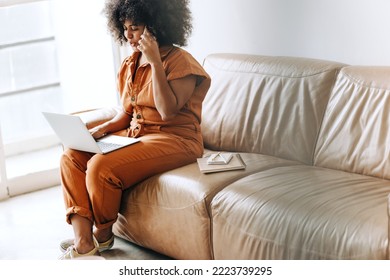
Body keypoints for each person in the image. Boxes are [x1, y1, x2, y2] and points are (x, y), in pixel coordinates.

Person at [58, 0, 210, 259]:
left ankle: (103, 234)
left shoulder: (182, 62)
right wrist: (99, 131)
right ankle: (83, 242)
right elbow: (127, 112)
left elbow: (167, 111)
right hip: (137, 135)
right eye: (125, 27)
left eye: (136, 28)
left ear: (155, 28)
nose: (128, 35)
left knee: (100, 166)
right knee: (72, 156)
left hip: (176, 140)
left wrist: (155, 63)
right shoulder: (131, 63)